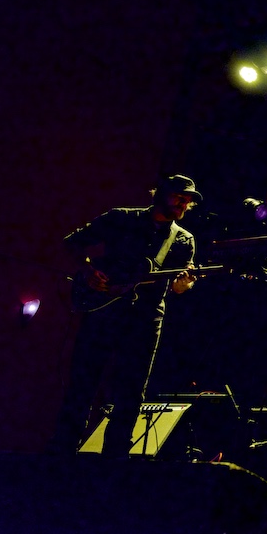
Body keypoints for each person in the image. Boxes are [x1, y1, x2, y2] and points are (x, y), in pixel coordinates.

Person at [49, 175, 201, 458]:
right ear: (161, 194)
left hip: (145, 318)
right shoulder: (120, 218)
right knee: (83, 383)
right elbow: (71, 243)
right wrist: (88, 271)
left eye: (188, 199)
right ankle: (62, 455)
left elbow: (183, 283)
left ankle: (114, 461)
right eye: (179, 196)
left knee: (131, 391)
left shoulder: (183, 240)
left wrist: (184, 285)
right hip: (103, 311)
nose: (184, 202)